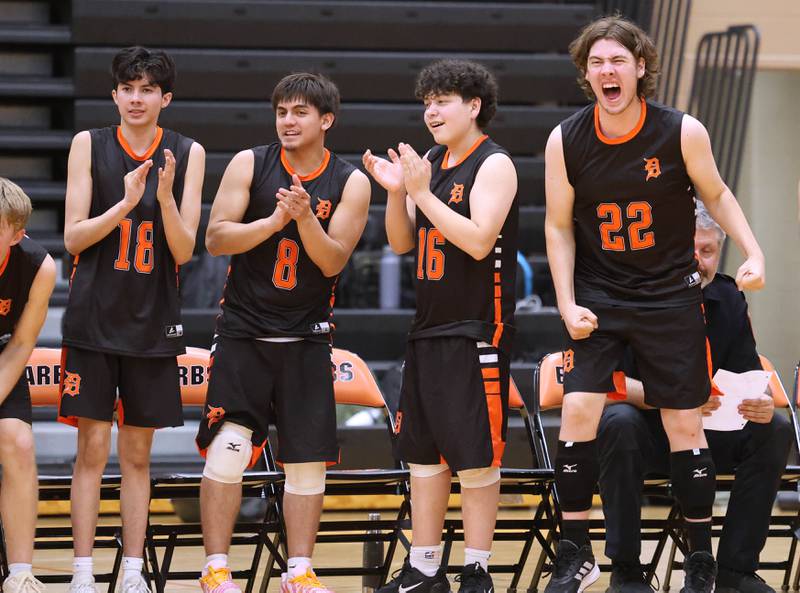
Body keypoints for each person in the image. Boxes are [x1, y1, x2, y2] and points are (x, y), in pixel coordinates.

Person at [543, 15, 765, 593]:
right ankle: (576, 553)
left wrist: (755, 252)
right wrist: (566, 302)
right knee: (578, 414)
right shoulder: (565, 138)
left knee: (684, 426)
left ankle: (700, 560)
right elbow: (558, 226)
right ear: (585, 74)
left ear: (641, 68)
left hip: (669, 294)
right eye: (596, 62)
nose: (607, 71)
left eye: (618, 60)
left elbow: (716, 194)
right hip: (600, 293)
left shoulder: (681, 131)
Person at [196, 72, 370, 593]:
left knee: (307, 465)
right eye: (282, 112)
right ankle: (215, 569)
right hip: (244, 334)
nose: (288, 121)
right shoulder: (252, 162)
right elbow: (216, 239)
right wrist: (274, 222)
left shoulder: (349, 180)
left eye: (300, 112)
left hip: (307, 337)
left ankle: (300, 571)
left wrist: (303, 220)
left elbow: (334, 259)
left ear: (326, 120)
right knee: (228, 450)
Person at [363, 59, 518, 593]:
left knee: (475, 458)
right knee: (424, 459)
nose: (431, 110)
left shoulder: (494, 164)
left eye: (443, 99)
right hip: (427, 328)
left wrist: (421, 192)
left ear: (473, 107)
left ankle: (477, 569)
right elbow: (403, 243)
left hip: (475, 330)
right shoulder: (429, 161)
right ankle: (424, 568)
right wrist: (395, 192)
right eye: (426, 100)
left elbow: (477, 240)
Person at [59, 46, 205, 593]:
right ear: (115, 93)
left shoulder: (188, 151)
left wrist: (164, 199)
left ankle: (133, 572)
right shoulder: (88, 145)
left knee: (137, 456)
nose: (137, 98)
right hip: (94, 319)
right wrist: (124, 204)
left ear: (165, 98)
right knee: (90, 452)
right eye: (128, 87)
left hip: (153, 322)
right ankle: (81, 573)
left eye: (148, 89)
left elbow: (186, 249)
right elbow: (73, 237)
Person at [597, 208, 794, 593]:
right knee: (617, 421)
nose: (699, 262)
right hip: (651, 435)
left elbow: (748, 374)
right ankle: (626, 571)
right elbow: (608, 383)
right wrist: (671, 398)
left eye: (708, 252)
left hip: (712, 431)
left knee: (775, 428)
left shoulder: (729, 297)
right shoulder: (629, 294)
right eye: (691, 251)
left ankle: (736, 571)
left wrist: (762, 401)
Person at [0, 178, 55, 593]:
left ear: (17, 235)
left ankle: (19, 573)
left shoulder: (39, 266)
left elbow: (21, 344)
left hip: (3, 357)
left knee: (17, 442)